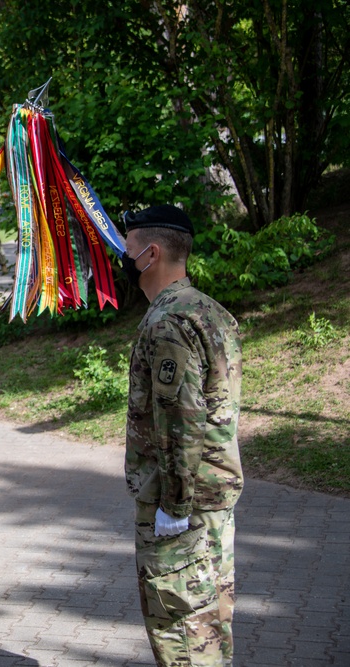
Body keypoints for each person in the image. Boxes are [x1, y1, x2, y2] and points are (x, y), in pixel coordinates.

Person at [122, 205, 243, 667]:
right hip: (212, 491)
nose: (123, 257)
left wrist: (174, 504)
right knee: (210, 618)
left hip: (184, 502)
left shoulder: (167, 321)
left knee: (182, 629)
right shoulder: (209, 310)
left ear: (151, 254)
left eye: (128, 249)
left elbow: (180, 420)